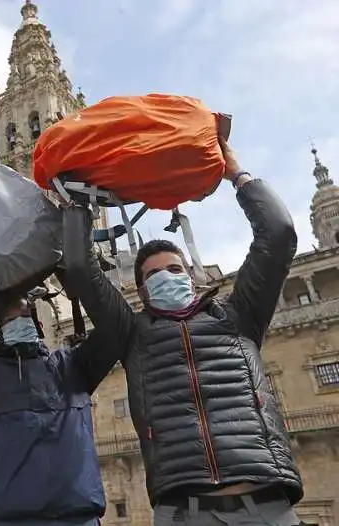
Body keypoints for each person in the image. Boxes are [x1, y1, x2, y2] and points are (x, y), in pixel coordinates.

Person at [62, 138, 303, 525]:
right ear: (140, 291)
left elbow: (278, 234)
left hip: (268, 506)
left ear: (192, 275)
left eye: (174, 270)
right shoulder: (133, 334)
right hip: (183, 511)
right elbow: (80, 268)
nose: (166, 277)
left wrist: (236, 174)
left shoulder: (238, 317)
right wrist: (77, 203)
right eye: (153, 275)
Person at [0, 244, 123, 526]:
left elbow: (118, 325)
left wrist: (79, 269)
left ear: (39, 324)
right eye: (9, 317)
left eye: (26, 313)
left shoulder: (72, 367)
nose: (20, 319)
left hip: (80, 518)